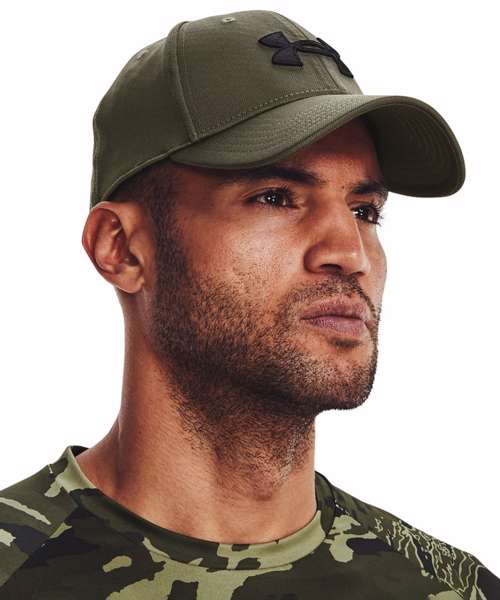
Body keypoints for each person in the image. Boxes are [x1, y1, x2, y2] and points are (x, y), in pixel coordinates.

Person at [0, 9, 498, 599]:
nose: (349, 253)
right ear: (122, 249)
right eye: (276, 197)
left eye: (365, 211)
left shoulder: (451, 588)